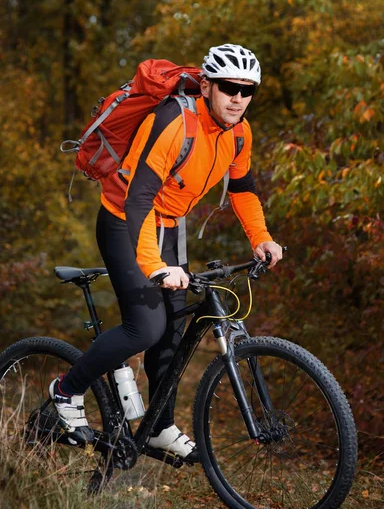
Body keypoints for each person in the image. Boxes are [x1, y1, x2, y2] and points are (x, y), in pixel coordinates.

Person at [49, 43, 283, 461]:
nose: (238, 98)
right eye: (229, 87)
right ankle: (66, 390)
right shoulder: (175, 121)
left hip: (170, 227)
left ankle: (159, 427)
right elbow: (138, 198)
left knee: (173, 328)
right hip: (126, 218)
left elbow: (243, 189)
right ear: (208, 85)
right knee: (146, 328)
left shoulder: (239, 132)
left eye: (249, 91)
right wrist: (155, 266)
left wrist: (260, 237)